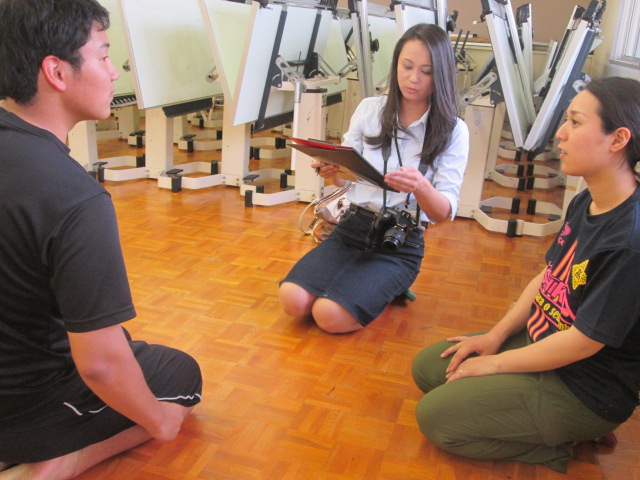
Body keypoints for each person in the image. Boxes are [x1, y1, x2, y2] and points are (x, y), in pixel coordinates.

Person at [0, 1, 202, 478]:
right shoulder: (75, 197)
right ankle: (57, 462)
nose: (114, 73)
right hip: (24, 406)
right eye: (104, 56)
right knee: (181, 376)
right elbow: (99, 366)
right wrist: (159, 424)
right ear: (56, 72)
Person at [411, 76, 640, 473]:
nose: (561, 134)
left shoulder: (629, 242)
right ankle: (548, 424)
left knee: (436, 419)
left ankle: (564, 442)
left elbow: (585, 342)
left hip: (584, 387)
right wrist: (495, 336)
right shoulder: (588, 198)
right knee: (430, 368)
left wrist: (494, 365)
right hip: (547, 340)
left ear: (618, 139)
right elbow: (548, 276)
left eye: (575, 122)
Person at [279, 23, 469, 334]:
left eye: (427, 71)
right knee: (293, 300)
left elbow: (442, 213)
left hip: (399, 241)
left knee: (328, 316)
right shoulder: (370, 109)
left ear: (442, 75)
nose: (413, 78)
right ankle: (361, 289)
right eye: (407, 66)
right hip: (352, 227)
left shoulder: (453, 130)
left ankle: (385, 288)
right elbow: (349, 178)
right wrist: (332, 171)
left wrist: (421, 186)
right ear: (396, 65)